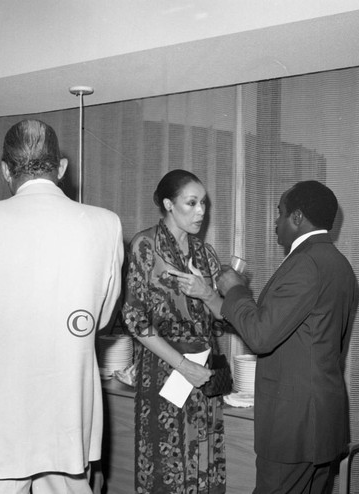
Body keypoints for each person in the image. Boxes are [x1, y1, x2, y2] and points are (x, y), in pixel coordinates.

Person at [0, 119, 124, 494]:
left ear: (4, 170)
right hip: (68, 420)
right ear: (62, 168)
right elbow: (101, 319)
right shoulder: (106, 224)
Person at [217, 180, 358, 494]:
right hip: (320, 422)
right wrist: (223, 307)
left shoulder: (305, 263)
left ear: (297, 217)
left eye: (279, 213)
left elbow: (262, 337)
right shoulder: (338, 264)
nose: (275, 221)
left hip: (293, 425)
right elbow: (299, 334)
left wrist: (235, 289)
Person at [122, 169, 226, 494]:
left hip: (203, 372)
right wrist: (184, 366)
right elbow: (134, 318)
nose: (201, 211)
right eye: (191, 203)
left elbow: (223, 320)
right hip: (164, 370)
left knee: (204, 463)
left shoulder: (207, 255)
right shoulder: (145, 247)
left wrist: (206, 292)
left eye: (204, 203)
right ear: (168, 204)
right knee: (164, 466)